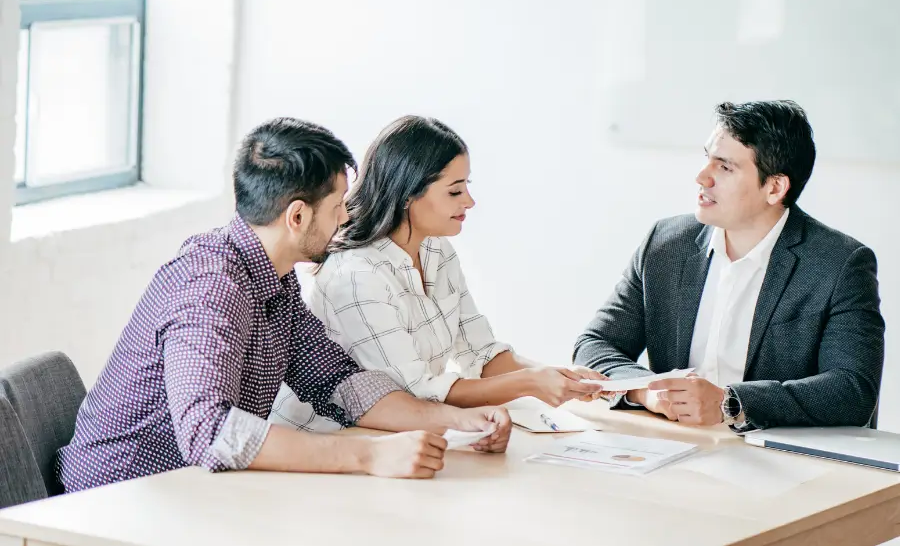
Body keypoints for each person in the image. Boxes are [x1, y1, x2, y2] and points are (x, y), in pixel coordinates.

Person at [56, 118, 511, 493]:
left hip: (195, 494)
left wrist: (459, 421)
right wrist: (368, 455)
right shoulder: (211, 288)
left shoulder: (273, 281)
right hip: (119, 500)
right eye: (337, 205)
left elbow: (339, 381)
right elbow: (209, 432)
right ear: (297, 217)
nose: (348, 216)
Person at [271, 115, 608, 432]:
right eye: (454, 191)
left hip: (405, 431)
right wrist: (532, 384)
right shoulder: (356, 275)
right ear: (407, 193)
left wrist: (557, 376)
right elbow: (414, 393)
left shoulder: (437, 250)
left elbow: (480, 352)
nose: (470, 202)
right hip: (331, 436)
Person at [573, 100, 884, 432]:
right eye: (707, 158)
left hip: (780, 462)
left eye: (724, 167)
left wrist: (730, 403)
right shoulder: (666, 243)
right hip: (673, 447)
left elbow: (853, 389)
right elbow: (595, 344)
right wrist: (647, 392)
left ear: (775, 187)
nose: (702, 177)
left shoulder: (840, 264)